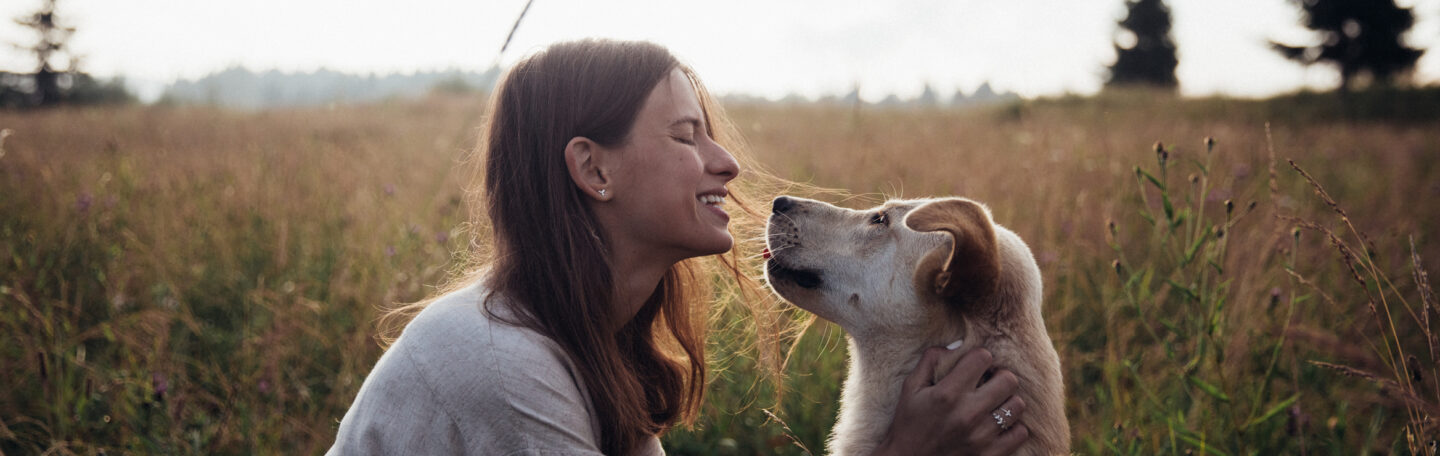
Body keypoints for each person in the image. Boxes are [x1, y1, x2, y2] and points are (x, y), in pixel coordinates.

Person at [327, 38, 1030, 455]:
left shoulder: (594, 344)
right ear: (594, 169)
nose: (725, 163)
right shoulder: (504, 365)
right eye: (686, 136)